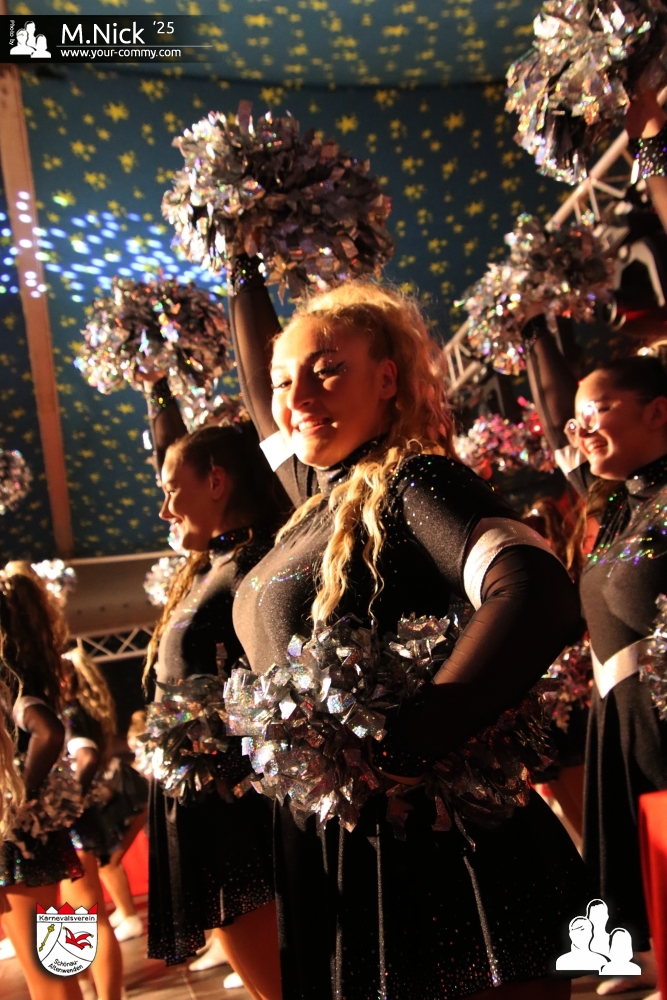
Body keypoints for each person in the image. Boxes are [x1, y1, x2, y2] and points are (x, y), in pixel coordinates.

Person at [229, 270, 588, 1000]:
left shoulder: (415, 480)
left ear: (387, 379)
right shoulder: (313, 503)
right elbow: (270, 408)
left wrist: (406, 748)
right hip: (341, 857)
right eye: (283, 381)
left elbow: (537, 590)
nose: (299, 397)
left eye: (328, 371)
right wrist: (238, 259)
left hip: (434, 856)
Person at [523, 312, 667, 998]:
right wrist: (532, 331)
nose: (581, 430)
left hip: (661, 705)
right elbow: (560, 426)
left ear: (658, 412)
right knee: (644, 844)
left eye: (599, 411)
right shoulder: (615, 505)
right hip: (622, 711)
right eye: (578, 419)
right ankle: (654, 944)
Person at [142, 400, 283, 1000]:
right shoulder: (212, 567)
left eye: (172, 490)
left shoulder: (250, 567)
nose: (164, 509)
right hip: (208, 808)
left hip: (237, 813)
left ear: (217, 481)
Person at [0, 566, 84, 1000]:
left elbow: (49, 733)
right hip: (35, 838)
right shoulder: (25, 677)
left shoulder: (13, 688)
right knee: (60, 966)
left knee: (47, 976)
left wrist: (18, 798)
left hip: (21, 841)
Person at [60, 645, 124, 1000]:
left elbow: (86, 756)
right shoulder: (79, 711)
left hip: (75, 829)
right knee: (74, 919)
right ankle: (85, 987)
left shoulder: (71, 713)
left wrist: (66, 803)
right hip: (76, 829)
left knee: (87, 919)